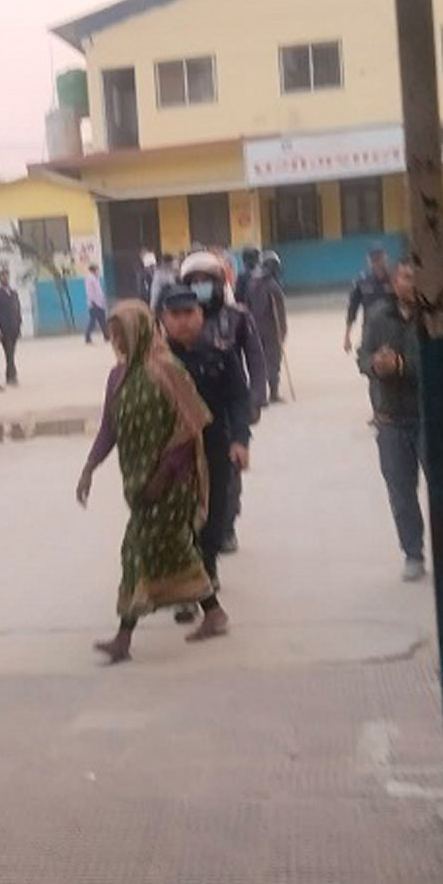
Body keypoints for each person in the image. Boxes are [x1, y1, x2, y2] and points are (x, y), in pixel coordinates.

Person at [76, 300, 229, 663]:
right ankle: (214, 611)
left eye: (122, 333)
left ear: (141, 331)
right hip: (137, 481)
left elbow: (190, 426)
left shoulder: (167, 371)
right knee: (175, 548)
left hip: (172, 484)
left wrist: (163, 475)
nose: (116, 341)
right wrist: (89, 468)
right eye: (113, 335)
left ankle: (123, 637)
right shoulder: (118, 376)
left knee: (135, 550)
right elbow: (109, 428)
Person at [159, 286, 250, 628]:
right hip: (173, 454)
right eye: (175, 315)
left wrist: (240, 440)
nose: (183, 321)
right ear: (163, 319)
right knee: (178, 522)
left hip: (214, 448)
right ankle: (186, 593)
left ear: (200, 316)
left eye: (189, 314)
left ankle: (206, 575)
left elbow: (238, 398)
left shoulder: (220, 355)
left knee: (213, 519)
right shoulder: (156, 363)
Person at [180, 250, 266, 557]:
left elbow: (256, 360)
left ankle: (226, 526)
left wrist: (255, 399)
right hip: (189, 409)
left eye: (207, 280)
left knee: (229, 473)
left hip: (227, 406)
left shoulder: (237, 316)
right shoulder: (179, 319)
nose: (201, 286)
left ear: (219, 282)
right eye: (194, 281)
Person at [358, 262, 426, 581]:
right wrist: (375, 364)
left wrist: (401, 366)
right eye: (404, 277)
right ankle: (413, 553)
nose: (409, 283)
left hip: (429, 417)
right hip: (390, 421)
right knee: (401, 493)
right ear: (394, 282)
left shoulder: (436, 316)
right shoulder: (378, 316)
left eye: (415, 278)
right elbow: (362, 356)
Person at [245, 255, 288, 405]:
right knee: (273, 361)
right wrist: (283, 331)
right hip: (271, 330)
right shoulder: (273, 286)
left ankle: (259, 395)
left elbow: (247, 306)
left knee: (258, 362)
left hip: (254, 328)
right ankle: (274, 393)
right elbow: (280, 313)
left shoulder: (251, 283)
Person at [342, 247, 394, 352]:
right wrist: (347, 336)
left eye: (379, 259)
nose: (377, 263)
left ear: (385, 259)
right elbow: (352, 309)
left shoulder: (394, 279)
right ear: (369, 261)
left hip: (393, 329)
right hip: (370, 330)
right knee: (368, 358)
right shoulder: (362, 281)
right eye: (373, 260)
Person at [0, 268, 24, 387]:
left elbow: (17, 309)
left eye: (7, 276)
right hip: (3, 328)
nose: (5, 279)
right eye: (3, 277)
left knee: (11, 352)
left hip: (14, 327)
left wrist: (19, 323)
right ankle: (11, 375)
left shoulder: (14, 293)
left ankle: (10, 374)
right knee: (9, 352)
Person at [82, 263, 110, 343]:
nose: (99, 271)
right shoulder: (90, 279)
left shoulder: (95, 278)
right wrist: (92, 301)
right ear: (94, 270)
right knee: (93, 321)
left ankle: (107, 336)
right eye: (97, 269)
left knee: (102, 320)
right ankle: (87, 337)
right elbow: (90, 291)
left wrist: (102, 301)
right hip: (94, 303)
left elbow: (98, 291)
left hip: (99, 303)